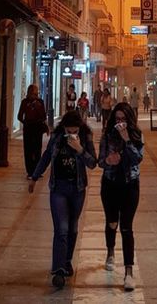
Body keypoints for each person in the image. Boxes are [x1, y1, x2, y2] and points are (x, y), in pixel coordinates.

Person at [28, 111, 97, 288]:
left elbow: (92, 163)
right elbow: (46, 157)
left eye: (75, 130)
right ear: (64, 127)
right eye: (69, 130)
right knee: (61, 228)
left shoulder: (85, 136)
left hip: (77, 189)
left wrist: (79, 149)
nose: (71, 133)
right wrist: (35, 177)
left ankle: (66, 261)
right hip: (58, 188)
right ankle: (58, 269)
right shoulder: (58, 137)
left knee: (72, 228)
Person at [98, 102, 144, 292]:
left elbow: (138, 159)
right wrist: (108, 161)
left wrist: (127, 140)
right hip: (110, 185)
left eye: (123, 120)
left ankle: (128, 272)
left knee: (126, 227)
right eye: (117, 120)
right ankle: (110, 252)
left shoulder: (136, 136)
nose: (120, 123)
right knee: (111, 222)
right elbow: (100, 161)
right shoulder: (107, 136)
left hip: (130, 185)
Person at [18, 84, 48, 179]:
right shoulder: (25, 102)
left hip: (37, 128)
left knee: (37, 149)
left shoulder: (40, 102)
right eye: (34, 93)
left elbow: (43, 116)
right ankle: (30, 171)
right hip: (28, 128)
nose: (35, 95)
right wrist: (26, 123)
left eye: (36, 93)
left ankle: (37, 170)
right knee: (28, 150)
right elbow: (19, 116)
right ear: (29, 93)